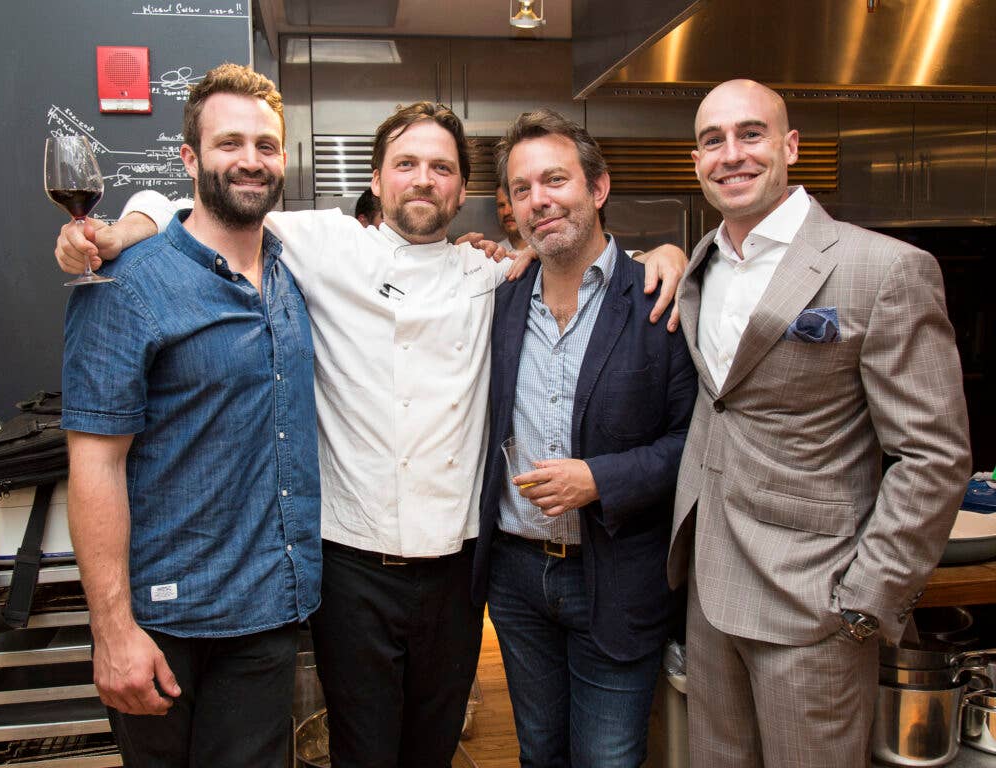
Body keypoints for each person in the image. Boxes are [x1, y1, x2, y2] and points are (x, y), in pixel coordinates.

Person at [55, 98, 688, 768]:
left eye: (441, 167)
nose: (423, 179)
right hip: (352, 569)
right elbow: (207, 209)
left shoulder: (493, 274)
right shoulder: (324, 245)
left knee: (434, 749)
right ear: (378, 181)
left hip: (457, 571)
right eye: (406, 164)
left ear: (462, 188)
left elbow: (583, 258)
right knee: (362, 751)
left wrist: (662, 254)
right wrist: (126, 228)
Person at [666, 79, 972, 767]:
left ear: (790, 147)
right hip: (712, 594)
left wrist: (867, 602)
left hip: (817, 604)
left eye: (751, 134)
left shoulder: (884, 269)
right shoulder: (700, 265)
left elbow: (933, 455)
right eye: (713, 140)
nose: (731, 154)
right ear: (696, 163)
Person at [61, 64, 321, 768]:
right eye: (228, 143)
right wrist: (111, 629)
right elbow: (95, 463)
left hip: (270, 611)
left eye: (266, 146)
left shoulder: (295, 271)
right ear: (189, 159)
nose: (250, 160)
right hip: (166, 624)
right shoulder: (125, 285)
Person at [472, 109, 697, 767]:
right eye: (522, 189)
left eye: (555, 179)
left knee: (608, 758)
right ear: (509, 210)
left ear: (596, 189)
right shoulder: (499, 296)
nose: (540, 199)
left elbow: (696, 442)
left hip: (619, 575)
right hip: (516, 577)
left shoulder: (661, 298)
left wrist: (601, 479)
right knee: (538, 753)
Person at [494, 182, 525, 251]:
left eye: (512, 203)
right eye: (501, 205)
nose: (506, 212)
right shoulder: (493, 254)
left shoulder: (547, 253)